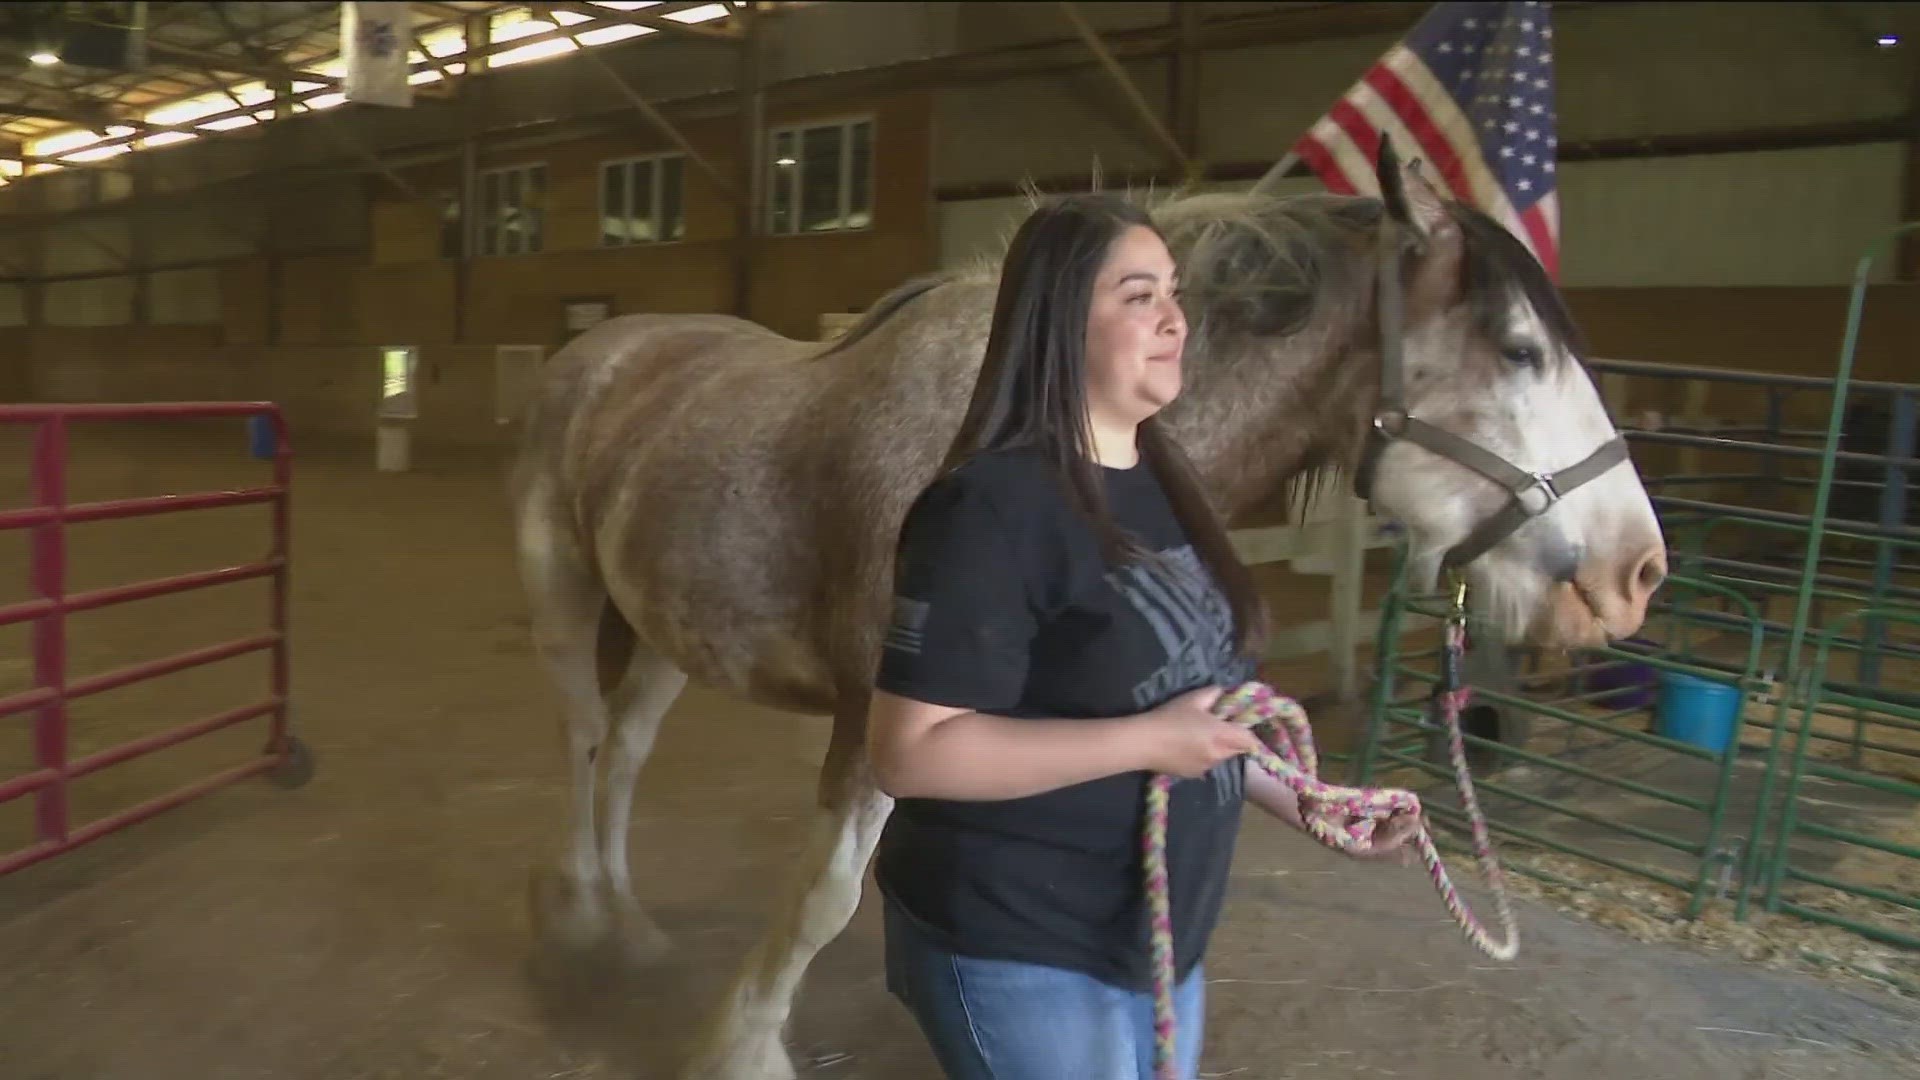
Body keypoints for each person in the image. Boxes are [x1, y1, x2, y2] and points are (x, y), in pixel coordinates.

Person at [865, 192, 1421, 1080]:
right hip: (1021, 939)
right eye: (1137, 296)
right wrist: (1146, 742)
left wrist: (1298, 797)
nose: (1175, 318)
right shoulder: (991, 508)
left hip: (1150, 940)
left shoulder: (1166, 482)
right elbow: (911, 754)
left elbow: (1190, 705)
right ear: (1058, 322)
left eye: (1172, 293)